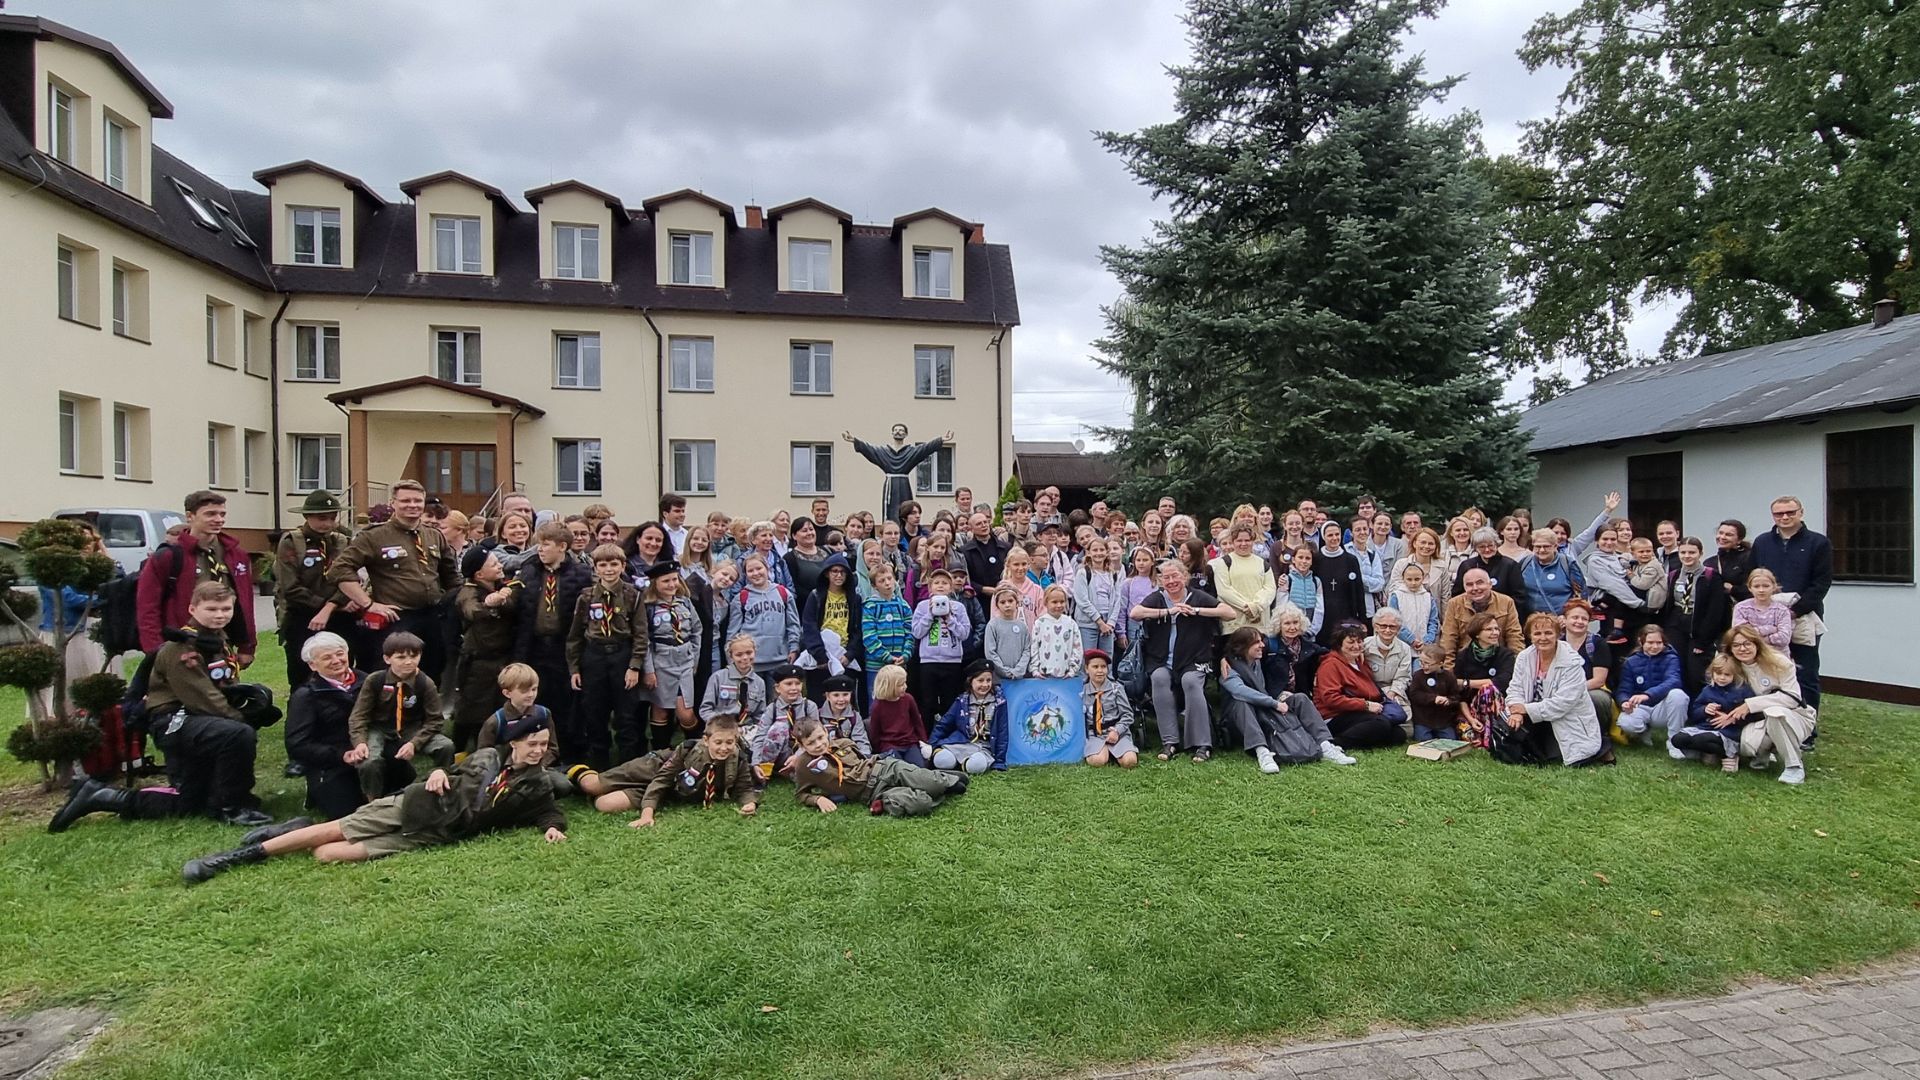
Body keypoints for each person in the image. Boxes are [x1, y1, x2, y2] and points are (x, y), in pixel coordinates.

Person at [181, 711, 566, 883]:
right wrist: (436, 772)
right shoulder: (485, 756)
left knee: (327, 854)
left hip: (432, 833)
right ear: (515, 742)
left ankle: (292, 831)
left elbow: (547, 810)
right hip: (417, 804)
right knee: (336, 829)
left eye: (543, 745)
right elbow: (448, 772)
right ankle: (234, 858)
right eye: (532, 743)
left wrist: (552, 828)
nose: (538, 751)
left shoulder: (538, 783)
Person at [329, 480, 459, 676]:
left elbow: (452, 578)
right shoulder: (374, 536)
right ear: (393, 503)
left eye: (417, 501)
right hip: (397, 619)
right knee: (394, 676)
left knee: (432, 673)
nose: (412, 505)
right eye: (405, 501)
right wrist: (368, 604)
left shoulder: (434, 536)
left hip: (432, 617)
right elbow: (339, 570)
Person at [284, 631, 407, 820]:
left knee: (404, 796)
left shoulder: (369, 681)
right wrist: (341, 755)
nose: (336, 660)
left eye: (340, 653)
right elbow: (297, 744)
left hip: (373, 749)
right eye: (327, 657)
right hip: (333, 761)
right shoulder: (306, 696)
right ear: (312, 665)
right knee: (349, 813)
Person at [1131, 558, 1236, 763]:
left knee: (1190, 682)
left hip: (1194, 659)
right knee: (1159, 678)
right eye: (1166, 577)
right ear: (1161, 581)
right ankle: (1170, 741)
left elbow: (1229, 613)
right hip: (1161, 659)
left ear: (1185, 576)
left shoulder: (1197, 596)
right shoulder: (1158, 598)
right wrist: (1167, 612)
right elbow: (1135, 613)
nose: (1171, 581)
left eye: (1175, 576)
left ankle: (1202, 744)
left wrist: (1196, 611)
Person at [137, 490, 257, 664]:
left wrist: (247, 646)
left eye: (222, 514)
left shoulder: (236, 554)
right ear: (190, 516)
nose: (219, 519)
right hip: (181, 644)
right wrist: (155, 651)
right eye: (210, 514)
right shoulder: (169, 556)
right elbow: (147, 608)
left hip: (224, 642)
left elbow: (246, 602)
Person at [574, 715, 757, 825]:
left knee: (604, 804)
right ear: (706, 740)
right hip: (655, 768)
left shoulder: (738, 759)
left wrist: (749, 803)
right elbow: (662, 779)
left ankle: (610, 791)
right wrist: (647, 815)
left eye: (729, 742)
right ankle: (576, 771)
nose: (724, 748)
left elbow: (745, 788)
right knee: (592, 785)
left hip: (671, 790)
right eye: (718, 742)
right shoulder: (687, 750)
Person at [1218, 628, 1351, 772]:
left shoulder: (1257, 661)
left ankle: (1325, 745)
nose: (1262, 645)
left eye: (1261, 641)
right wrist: (1274, 703)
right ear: (1242, 647)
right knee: (1242, 702)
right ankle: (1262, 752)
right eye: (1256, 642)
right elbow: (1240, 691)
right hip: (1239, 719)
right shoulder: (1229, 668)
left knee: (1300, 699)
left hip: (1263, 707)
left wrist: (1279, 697)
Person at [514, 522, 591, 761]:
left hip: (563, 648)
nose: (540, 549)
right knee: (537, 698)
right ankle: (537, 749)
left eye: (546, 544)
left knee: (566, 702)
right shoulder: (529, 571)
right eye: (539, 544)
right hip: (535, 646)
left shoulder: (581, 574)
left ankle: (568, 751)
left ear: (562, 547)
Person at [344, 631, 452, 802]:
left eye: (414, 656)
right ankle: (372, 799)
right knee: (369, 761)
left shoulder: (425, 683)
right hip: (379, 728)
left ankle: (441, 783)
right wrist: (360, 742)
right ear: (387, 659)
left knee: (445, 746)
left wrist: (415, 743)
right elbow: (359, 716)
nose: (409, 662)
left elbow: (435, 720)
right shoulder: (375, 680)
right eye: (401, 657)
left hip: (411, 728)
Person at [567, 544, 648, 768]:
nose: (609, 569)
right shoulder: (586, 597)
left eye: (614, 564)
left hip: (622, 656)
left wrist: (634, 666)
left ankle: (627, 768)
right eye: (603, 565)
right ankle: (599, 767)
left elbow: (641, 634)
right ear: (595, 568)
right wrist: (574, 668)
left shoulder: (633, 595)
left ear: (623, 566)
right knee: (594, 713)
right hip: (594, 657)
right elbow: (575, 636)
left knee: (626, 715)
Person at [791, 718, 970, 817]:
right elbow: (801, 794)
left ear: (825, 731)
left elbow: (864, 760)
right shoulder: (805, 765)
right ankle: (934, 785)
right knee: (921, 804)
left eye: (820, 737)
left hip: (886, 769)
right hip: (874, 793)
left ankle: (941, 780)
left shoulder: (843, 743)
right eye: (811, 742)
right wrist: (817, 800)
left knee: (934, 784)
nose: (819, 744)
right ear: (801, 745)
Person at [1750, 496, 1831, 707]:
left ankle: (1807, 721)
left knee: (1805, 672)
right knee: (1767, 669)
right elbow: (1752, 577)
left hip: (1804, 617)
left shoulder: (1818, 542)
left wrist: (1794, 611)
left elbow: (1821, 583)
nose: (1784, 517)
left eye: (1790, 512)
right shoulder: (1762, 542)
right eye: (1779, 513)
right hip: (1766, 618)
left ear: (1801, 512)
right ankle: (1773, 717)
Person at [1501, 612, 1610, 767]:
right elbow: (1515, 688)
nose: (1543, 638)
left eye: (1548, 633)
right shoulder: (1524, 657)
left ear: (1558, 635)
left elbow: (1563, 703)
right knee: (1518, 746)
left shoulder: (1572, 662)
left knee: (1561, 756)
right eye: (1537, 633)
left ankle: (1603, 748)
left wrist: (1525, 709)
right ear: (1530, 636)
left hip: (1565, 717)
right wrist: (1516, 710)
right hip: (1534, 714)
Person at [1718, 624, 1817, 784]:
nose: (1742, 649)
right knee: (1747, 745)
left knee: (1775, 713)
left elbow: (1792, 698)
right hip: (1758, 720)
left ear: (1757, 644)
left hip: (1794, 716)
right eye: (1736, 645)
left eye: (1747, 644)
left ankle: (1794, 767)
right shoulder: (1731, 666)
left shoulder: (1779, 662)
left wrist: (1749, 705)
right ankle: (1763, 754)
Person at [274, 489, 353, 689]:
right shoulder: (292, 542)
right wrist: (322, 606)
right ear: (307, 517)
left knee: (341, 670)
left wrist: (333, 605)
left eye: (332, 518)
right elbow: (290, 587)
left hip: (339, 612)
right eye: (321, 518)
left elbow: (349, 577)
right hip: (303, 614)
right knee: (302, 673)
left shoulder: (341, 541)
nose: (327, 523)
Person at [450, 546, 519, 751]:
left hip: (502, 658)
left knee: (498, 705)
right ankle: (460, 752)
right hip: (477, 661)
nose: (500, 566)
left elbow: (514, 607)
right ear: (479, 574)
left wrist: (504, 599)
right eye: (494, 564)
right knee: (471, 709)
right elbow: (471, 611)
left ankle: (495, 747)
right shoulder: (468, 592)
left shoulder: (503, 586)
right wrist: (490, 604)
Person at [1312, 623, 1408, 751]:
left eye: (1359, 641)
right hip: (1335, 715)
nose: (1356, 646)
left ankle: (1361, 741)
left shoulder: (1359, 661)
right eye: (1351, 642)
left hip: (1360, 713)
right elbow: (1331, 698)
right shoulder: (1330, 665)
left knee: (1398, 734)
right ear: (1339, 644)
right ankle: (1334, 744)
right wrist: (1366, 705)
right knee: (1380, 724)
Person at [641, 560, 703, 752]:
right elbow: (644, 640)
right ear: (655, 584)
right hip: (660, 662)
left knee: (685, 713)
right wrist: (649, 670)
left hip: (684, 661)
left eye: (674, 579)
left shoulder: (684, 602)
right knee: (660, 710)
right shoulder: (648, 607)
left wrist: (694, 658)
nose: (671, 584)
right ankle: (661, 752)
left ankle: (695, 749)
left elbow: (696, 630)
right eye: (666, 581)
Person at [842, 425, 954, 527]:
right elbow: (869, 450)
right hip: (890, 486)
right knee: (890, 513)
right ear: (892, 433)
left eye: (901, 430)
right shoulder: (884, 452)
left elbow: (925, 448)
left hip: (904, 485)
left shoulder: (910, 452)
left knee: (907, 510)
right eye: (895, 430)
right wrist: (854, 441)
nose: (898, 432)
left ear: (906, 434)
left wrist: (941, 440)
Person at [1662, 536, 1731, 693]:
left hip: (1699, 627)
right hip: (1677, 625)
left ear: (1700, 553)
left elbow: (1715, 610)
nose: (1687, 556)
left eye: (1692, 552)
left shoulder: (1711, 576)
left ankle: (1699, 702)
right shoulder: (1674, 575)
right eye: (1683, 552)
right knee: (1677, 666)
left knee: (1696, 670)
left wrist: (1703, 640)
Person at [1670, 653, 1755, 774]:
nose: (1722, 678)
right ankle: (1709, 753)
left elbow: (1752, 715)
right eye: (1718, 674)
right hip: (1706, 727)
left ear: (1735, 675)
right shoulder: (1707, 690)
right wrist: (1704, 710)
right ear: (1712, 673)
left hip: (1729, 733)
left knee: (1704, 739)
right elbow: (1694, 714)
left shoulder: (1742, 690)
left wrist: (1732, 718)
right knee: (1678, 739)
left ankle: (1729, 755)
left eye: (1727, 675)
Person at [799, 553, 864, 701]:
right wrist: (820, 655)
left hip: (844, 656)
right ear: (826, 573)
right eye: (834, 571)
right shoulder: (816, 596)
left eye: (842, 572)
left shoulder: (854, 598)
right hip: (820, 659)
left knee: (843, 701)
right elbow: (809, 626)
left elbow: (857, 629)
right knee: (819, 701)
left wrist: (850, 654)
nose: (839, 575)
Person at [1615, 624, 1689, 753]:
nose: (1655, 646)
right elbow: (1624, 689)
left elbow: (1673, 681)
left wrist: (1648, 694)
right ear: (1641, 641)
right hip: (1640, 707)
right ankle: (1643, 731)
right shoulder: (1631, 662)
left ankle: (1675, 742)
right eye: (1650, 642)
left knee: (1678, 695)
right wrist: (1624, 702)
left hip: (1662, 706)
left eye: (1659, 643)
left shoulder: (1671, 658)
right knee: (1626, 723)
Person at [910, 568, 973, 721]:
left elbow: (964, 633)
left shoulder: (958, 607)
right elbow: (916, 632)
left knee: (950, 701)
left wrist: (949, 618)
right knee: (928, 702)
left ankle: (948, 732)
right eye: (936, 583)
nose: (940, 585)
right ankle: (927, 732)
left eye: (944, 583)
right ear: (930, 587)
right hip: (928, 661)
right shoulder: (922, 606)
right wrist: (930, 614)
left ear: (951, 587)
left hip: (952, 661)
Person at [930, 660, 1007, 773]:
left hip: (983, 748)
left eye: (988, 680)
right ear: (971, 681)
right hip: (961, 743)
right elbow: (944, 724)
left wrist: (999, 762)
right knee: (942, 760)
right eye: (980, 680)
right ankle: (957, 762)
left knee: (976, 766)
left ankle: (963, 765)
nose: (985, 685)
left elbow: (1002, 733)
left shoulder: (999, 703)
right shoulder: (962, 701)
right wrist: (932, 745)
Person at [750, 664, 819, 781]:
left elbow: (815, 735)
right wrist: (755, 763)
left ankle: (793, 770)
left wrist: (798, 756)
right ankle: (765, 771)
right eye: (788, 684)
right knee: (780, 728)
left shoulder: (809, 706)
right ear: (777, 688)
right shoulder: (772, 709)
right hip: (780, 753)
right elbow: (760, 736)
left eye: (797, 683)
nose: (794, 688)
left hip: (804, 751)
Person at [1559, 599, 1616, 737]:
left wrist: (1572, 691)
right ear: (1564, 620)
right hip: (1561, 690)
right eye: (1575, 617)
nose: (1579, 622)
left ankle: (1599, 734)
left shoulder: (1598, 644)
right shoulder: (1557, 645)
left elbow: (1599, 680)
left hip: (1591, 689)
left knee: (1595, 698)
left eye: (1584, 619)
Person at [1438, 569, 1523, 657]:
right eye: (1469, 584)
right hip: (1465, 660)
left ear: (1490, 584)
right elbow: (1448, 639)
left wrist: (1516, 661)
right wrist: (1448, 665)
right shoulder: (1454, 604)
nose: (1475, 588)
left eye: (1480, 583)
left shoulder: (1506, 602)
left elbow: (1514, 636)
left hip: (1499, 658)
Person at [1210, 524, 1275, 637]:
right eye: (1239, 540)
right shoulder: (1224, 563)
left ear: (1253, 541)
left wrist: (1257, 606)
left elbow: (1270, 589)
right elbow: (1224, 591)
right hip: (1234, 626)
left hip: (1260, 626)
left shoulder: (1263, 563)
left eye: (1247, 540)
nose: (1243, 544)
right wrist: (1247, 607)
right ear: (1233, 542)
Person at [700, 634, 770, 736]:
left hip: (747, 730)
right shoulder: (718, 677)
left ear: (755, 652)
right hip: (720, 728)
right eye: (739, 655)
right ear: (731, 656)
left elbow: (760, 715)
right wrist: (720, 725)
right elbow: (705, 710)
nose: (745, 657)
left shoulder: (759, 682)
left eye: (749, 653)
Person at [1079, 649, 1139, 768]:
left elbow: (1127, 715)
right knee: (1097, 761)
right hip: (1095, 734)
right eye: (1095, 667)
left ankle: (1118, 750)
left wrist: (1117, 731)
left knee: (1130, 761)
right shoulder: (1082, 691)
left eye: (1103, 667)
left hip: (1117, 732)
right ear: (1086, 669)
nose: (1100, 671)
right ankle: (1103, 750)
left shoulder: (1116, 689)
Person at [1311, 521, 1368, 644]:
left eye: (1337, 534)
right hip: (1323, 615)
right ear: (1324, 537)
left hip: (1346, 614)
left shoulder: (1351, 560)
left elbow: (1359, 591)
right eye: (1330, 535)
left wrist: (1362, 619)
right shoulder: (1317, 559)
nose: (1334, 538)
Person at [1073, 535, 1126, 653]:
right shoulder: (1083, 573)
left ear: (1107, 552)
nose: (1098, 553)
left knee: (1107, 658)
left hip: (1108, 624)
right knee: (1088, 657)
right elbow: (1082, 601)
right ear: (1089, 552)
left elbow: (1117, 600)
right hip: (1088, 624)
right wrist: (1099, 622)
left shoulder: (1112, 574)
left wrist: (1111, 623)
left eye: (1102, 550)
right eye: (1095, 550)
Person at [868, 663, 928, 766]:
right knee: (897, 767)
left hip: (910, 743)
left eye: (905, 683)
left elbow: (917, 722)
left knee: (919, 767)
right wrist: (877, 750)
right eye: (901, 685)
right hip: (889, 745)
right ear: (889, 686)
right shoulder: (877, 706)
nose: (905, 687)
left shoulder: (908, 699)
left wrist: (924, 742)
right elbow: (875, 732)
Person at [1453, 527, 1526, 612]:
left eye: (1490, 545)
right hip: (1472, 614)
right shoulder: (1466, 566)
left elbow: (1519, 597)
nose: (1487, 550)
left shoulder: (1510, 565)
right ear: (1475, 548)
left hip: (1502, 614)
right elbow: (1457, 595)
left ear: (1497, 544)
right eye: (1482, 547)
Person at [1519, 528, 1581, 620]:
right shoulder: (1525, 563)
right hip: (1530, 621)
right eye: (1537, 546)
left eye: (1546, 546)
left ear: (1555, 546)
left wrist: (1568, 616)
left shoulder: (1567, 564)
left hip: (1560, 621)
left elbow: (1581, 595)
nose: (1541, 550)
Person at [1406, 644, 1465, 741]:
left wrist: (1448, 701)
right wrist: (1433, 698)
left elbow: (1456, 697)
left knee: (1449, 740)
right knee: (1423, 739)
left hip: (1443, 721)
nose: (1423, 666)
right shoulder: (1418, 676)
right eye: (1421, 662)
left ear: (1440, 664)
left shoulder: (1449, 677)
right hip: (1423, 720)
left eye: (1427, 663)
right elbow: (1414, 695)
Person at [1731, 567, 1795, 650]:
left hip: (1777, 655)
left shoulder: (1782, 610)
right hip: (1750, 654)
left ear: (1774, 587)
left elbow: (1784, 638)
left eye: (1766, 586)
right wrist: (1771, 629)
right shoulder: (1741, 608)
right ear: (1750, 588)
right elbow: (1742, 635)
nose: (1761, 590)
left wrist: (1756, 638)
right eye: (1756, 586)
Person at [1028, 585, 1083, 678]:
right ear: (1046, 603)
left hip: (1065, 675)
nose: (1059, 605)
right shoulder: (1039, 623)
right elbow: (1034, 647)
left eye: (1062, 602)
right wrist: (1035, 670)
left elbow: (1077, 647)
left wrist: (1073, 670)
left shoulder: (1071, 623)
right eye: (1054, 602)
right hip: (1043, 675)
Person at [1363, 610, 1413, 710]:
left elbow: (1403, 677)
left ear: (1398, 629)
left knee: (1404, 715)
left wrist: (1391, 694)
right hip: (1368, 691)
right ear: (1376, 627)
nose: (1387, 630)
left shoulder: (1405, 649)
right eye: (1383, 626)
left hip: (1395, 691)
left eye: (1392, 627)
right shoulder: (1364, 645)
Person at [1387, 561, 1439, 650]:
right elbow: (1394, 621)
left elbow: (1433, 621)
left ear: (1423, 578)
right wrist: (1411, 639)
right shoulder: (1396, 596)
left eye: (1417, 579)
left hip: (1424, 646)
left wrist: (1428, 640)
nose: (1413, 583)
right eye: (1409, 579)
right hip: (1401, 646)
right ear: (1403, 578)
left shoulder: (1428, 597)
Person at [983, 586, 1031, 681]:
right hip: (999, 678)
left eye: (1010, 601)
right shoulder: (993, 625)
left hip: (1018, 677)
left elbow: (1027, 650)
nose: (1007, 605)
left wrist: (1018, 670)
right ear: (997, 605)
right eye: (1002, 602)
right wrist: (1005, 671)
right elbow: (990, 652)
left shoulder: (1022, 626)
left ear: (1017, 603)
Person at [1708, 519, 1754, 602]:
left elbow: (1756, 587)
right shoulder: (1709, 562)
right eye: (1720, 533)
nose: (1722, 537)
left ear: (1739, 540)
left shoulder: (1749, 558)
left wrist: (1733, 589)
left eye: (1728, 535)